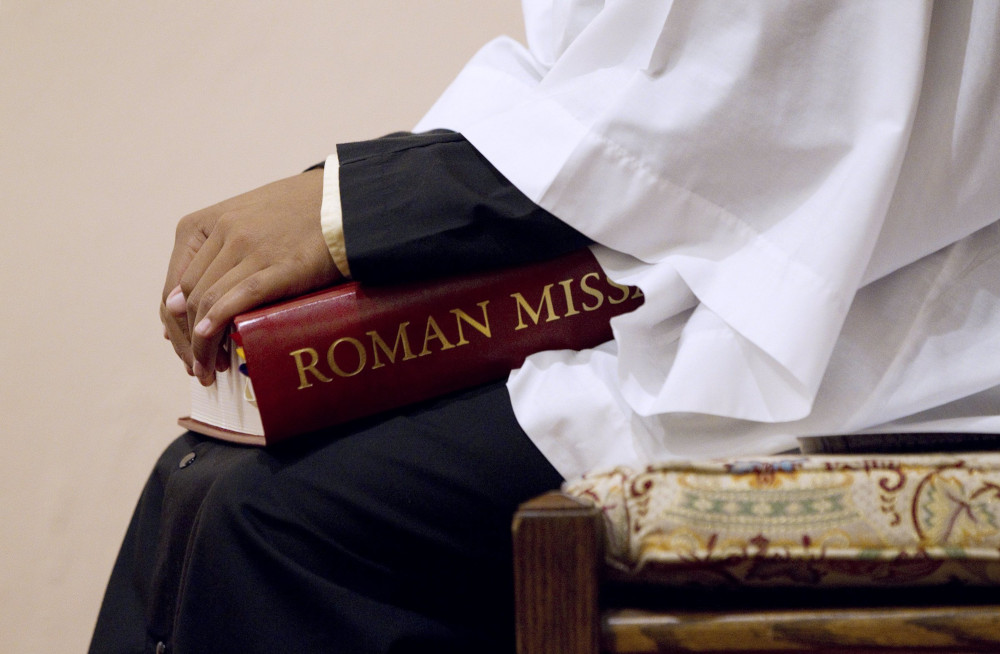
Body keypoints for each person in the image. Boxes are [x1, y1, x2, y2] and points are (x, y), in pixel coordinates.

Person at [90, 2, 1000, 652]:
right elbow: (600, 71)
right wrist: (340, 220)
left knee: (286, 526)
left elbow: (755, 100)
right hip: (746, 300)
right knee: (196, 480)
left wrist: (348, 214)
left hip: (903, 346)